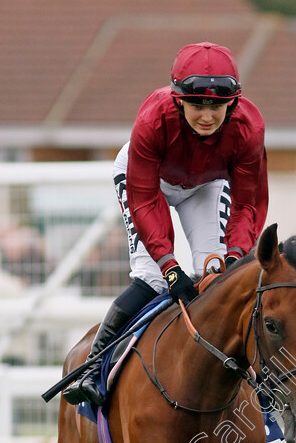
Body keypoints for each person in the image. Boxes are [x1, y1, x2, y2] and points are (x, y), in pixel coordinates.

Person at [64, 41, 269, 406]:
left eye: (217, 106)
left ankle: (254, 381)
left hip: (206, 184)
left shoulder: (248, 128)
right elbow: (143, 201)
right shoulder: (152, 119)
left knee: (218, 272)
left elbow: (247, 204)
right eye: (197, 105)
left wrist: (237, 253)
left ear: (232, 103)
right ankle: (93, 370)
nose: (207, 116)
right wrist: (169, 265)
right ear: (178, 100)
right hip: (150, 181)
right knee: (153, 277)